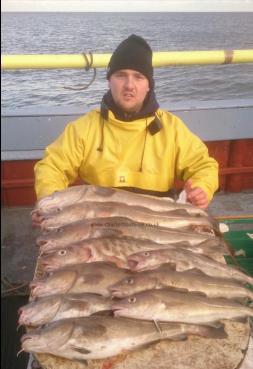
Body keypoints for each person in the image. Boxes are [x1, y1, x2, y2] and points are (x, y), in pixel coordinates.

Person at [32, 34, 218, 225]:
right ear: (109, 81)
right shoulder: (83, 128)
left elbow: (203, 165)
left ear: (148, 86)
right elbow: (52, 167)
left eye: (138, 77)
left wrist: (201, 188)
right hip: (98, 227)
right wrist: (49, 201)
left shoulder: (172, 129)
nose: (129, 85)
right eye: (121, 75)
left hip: (158, 224)